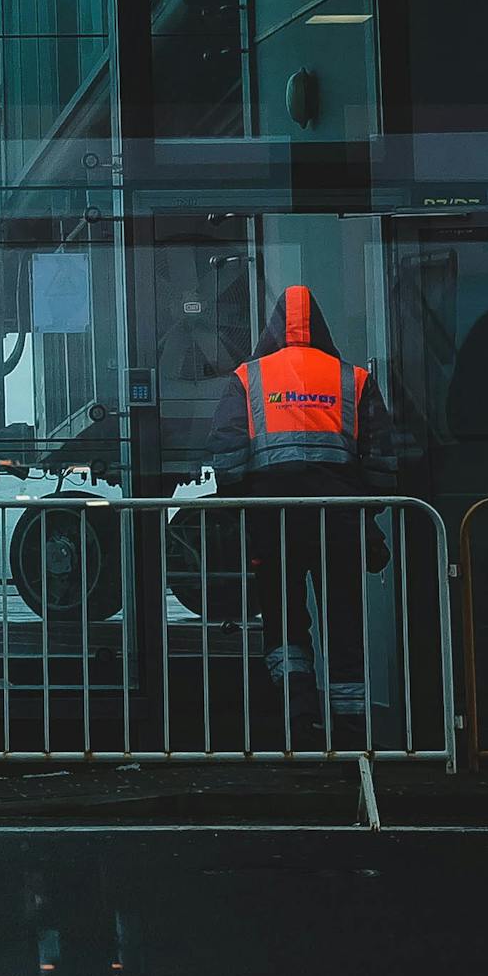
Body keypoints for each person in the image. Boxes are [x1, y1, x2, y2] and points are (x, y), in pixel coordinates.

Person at [208, 283, 394, 719]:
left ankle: (298, 707)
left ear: (273, 326)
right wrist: (370, 506)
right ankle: (350, 725)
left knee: (283, 612)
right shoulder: (353, 378)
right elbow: (382, 456)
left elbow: (227, 452)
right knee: (344, 615)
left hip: (273, 520)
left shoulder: (248, 377)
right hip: (339, 519)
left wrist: (240, 500)